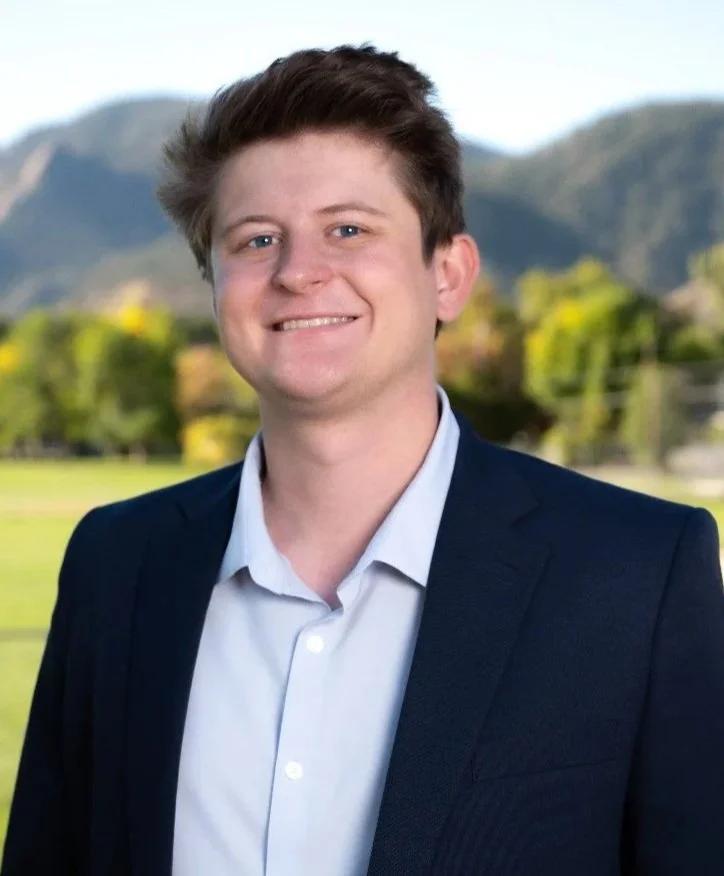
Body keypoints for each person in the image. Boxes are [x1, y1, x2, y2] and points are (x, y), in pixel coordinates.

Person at [3, 44, 724, 876]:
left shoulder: (636, 572)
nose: (300, 272)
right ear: (214, 288)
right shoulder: (113, 565)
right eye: (256, 238)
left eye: (348, 229)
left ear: (448, 275)